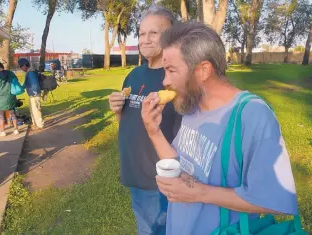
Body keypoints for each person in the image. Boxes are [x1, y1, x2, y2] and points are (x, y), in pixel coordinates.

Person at [141, 21, 299, 235]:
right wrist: (153, 131)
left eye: (170, 70)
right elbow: (181, 166)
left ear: (203, 70)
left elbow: (271, 199)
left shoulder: (252, 116)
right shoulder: (192, 106)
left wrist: (200, 193)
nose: (165, 81)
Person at [108, 5, 180, 235]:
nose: (145, 40)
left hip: (159, 179)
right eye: (141, 33)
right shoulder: (134, 75)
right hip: (135, 173)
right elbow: (127, 123)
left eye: (154, 33)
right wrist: (118, 110)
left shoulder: (176, 79)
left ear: (171, 37)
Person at [0, 60, 19, 137]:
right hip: (11, 96)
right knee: (13, 113)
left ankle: (2, 131)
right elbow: (16, 80)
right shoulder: (10, 73)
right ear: (2, 67)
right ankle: (16, 129)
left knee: (1, 115)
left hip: (1, 98)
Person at [18, 58, 44, 129]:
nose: (21, 68)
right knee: (32, 110)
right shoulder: (29, 72)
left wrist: (34, 93)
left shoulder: (31, 73)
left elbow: (35, 84)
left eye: (20, 66)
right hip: (32, 95)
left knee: (36, 110)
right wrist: (19, 88)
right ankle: (35, 124)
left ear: (24, 65)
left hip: (34, 95)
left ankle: (40, 125)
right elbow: (25, 84)